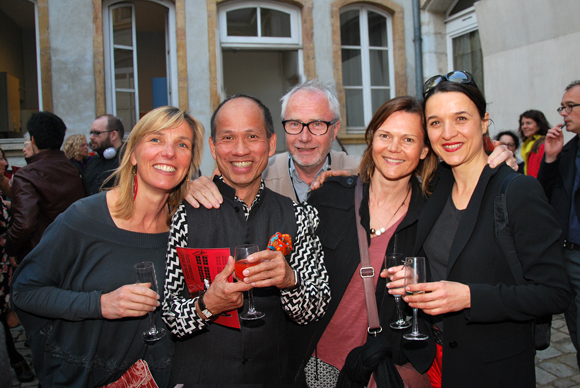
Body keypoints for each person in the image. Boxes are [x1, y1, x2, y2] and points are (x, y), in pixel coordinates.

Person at [398, 71, 570, 387]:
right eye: (436, 122)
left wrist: (469, 297)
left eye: (460, 118)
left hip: (490, 369)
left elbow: (555, 293)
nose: (447, 133)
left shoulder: (517, 190)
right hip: (433, 360)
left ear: (484, 121)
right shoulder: (437, 186)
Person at [10, 106, 204, 387]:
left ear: (190, 161)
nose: (169, 152)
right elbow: (25, 291)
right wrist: (101, 304)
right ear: (133, 154)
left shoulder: (186, 230)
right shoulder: (84, 218)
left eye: (182, 144)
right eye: (156, 140)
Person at [162, 94, 330, 385]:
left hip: (274, 377)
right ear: (213, 148)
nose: (240, 150)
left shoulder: (299, 216)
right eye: (228, 138)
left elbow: (314, 309)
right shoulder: (186, 215)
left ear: (271, 144)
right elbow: (169, 314)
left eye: (252, 136)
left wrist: (290, 279)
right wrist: (206, 305)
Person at [301, 96, 437, 388]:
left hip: (377, 371)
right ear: (372, 137)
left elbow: (452, 279)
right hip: (316, 361)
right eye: (385, 135)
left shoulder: (433, 216)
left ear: (425, 150)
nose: (394, 148)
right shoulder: (329, 197)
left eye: (408, 139)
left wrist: (424, 283)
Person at [188, 79, 359, 206]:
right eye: (294, 124)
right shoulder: (255, 170)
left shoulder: (362, 172)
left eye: (317, 124)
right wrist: (196, 189)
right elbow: (218, 185)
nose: (304, 137)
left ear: (335, 129)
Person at [537, 80, 580, 369]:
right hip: (570, 257)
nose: (563, 113)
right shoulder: (566, 151)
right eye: (562, 107)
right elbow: (541, 199)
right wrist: (550, 158)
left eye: (570, 106)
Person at [5, 112, 86, 264]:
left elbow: (24, 224)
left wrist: (11, 248)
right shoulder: (73, 169)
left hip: (41, 257)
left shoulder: (27, 175)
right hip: (74, 252)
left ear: (33, 139)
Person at [0, 147, 34, 383]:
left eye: (3, 157)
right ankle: (15, 360)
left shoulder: (5, 184)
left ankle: (15, 360)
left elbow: (13, 206)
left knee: (4, 314)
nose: (3, 162)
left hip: (5, 261)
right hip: (4, 259)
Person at [83, 114, 124, 195]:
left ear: (113, 135)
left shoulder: (129, 161)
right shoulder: (93, 161)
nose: (91, 137)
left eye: (96, 133)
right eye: (91, 133)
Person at [518, 109, 550, 177]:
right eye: (522, 124)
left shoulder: (544, 144)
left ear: (539, 125)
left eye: (528, 123)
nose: (524, 127)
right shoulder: (527, 143)